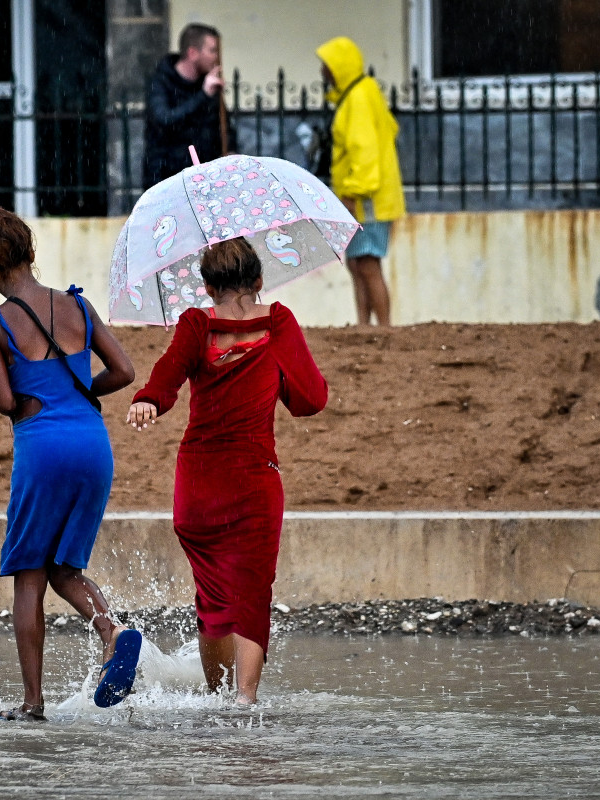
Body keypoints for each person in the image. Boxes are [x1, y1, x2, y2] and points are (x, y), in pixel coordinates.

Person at [0, 204, 141, 721]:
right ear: (32, 253)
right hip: (93, 446)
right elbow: (124, 371)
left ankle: (32, 703)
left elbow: (4, 402)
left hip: (42, 449)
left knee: (30, 576)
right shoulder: (78, 306)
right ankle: (112, 630)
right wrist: (81, 392)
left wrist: (37, 397)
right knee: (66, 568)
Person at [126, 238, 328, 705]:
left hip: (198, 486)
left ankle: (215, 700)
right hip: (255, 479)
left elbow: (165, 378)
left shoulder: (196, 325)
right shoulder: (277, 323)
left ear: (207, 286)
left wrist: (146, 402)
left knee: (214, 598)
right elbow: (311, 401)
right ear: (259, 281)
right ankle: (245, 701)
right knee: (252, 593)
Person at [316, 36, 405, 327]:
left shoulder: (357, 99)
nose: (322, 72)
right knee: (357, 264)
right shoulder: (362, 94)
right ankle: (366, 326)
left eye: (326, 66)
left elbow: (364, 153)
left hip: (367, 199)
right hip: (368, 196)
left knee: (367, 263)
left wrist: (352, 194)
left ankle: (383, 327)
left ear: (338, 67)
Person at [142, 23, 226, 188]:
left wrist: (230, 149)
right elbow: (165, 121)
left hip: (204, 174)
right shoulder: (161, 82)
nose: (216, 57)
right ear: (193, 53)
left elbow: (222, 124)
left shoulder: (206, 83)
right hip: (166, 176)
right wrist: (203, 96)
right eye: (212, 50)